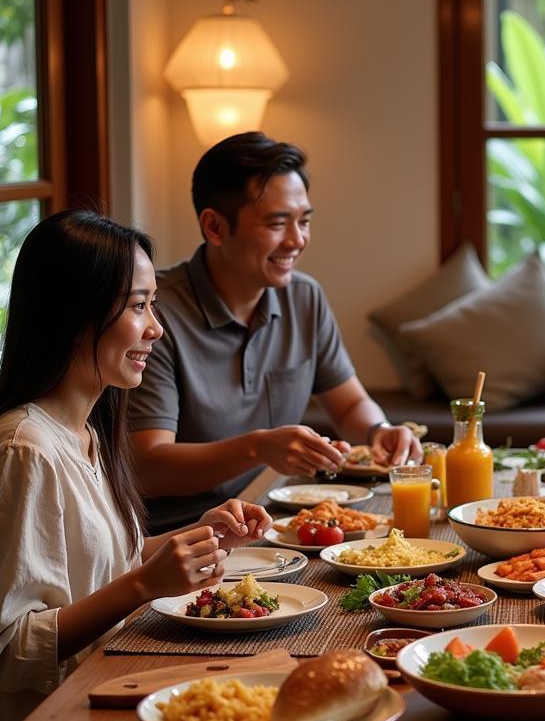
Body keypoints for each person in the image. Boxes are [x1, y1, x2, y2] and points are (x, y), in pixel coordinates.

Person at [0, 210, 271, 721]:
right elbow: (13, 650)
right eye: (138, 306)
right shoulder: (25, 450)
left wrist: (198, 538)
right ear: (74, 313)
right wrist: (146, 584)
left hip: (112, 684)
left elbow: (96, 563)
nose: (156, 328)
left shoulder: (86, 431)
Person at [128, 132, 422, 533]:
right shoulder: (156, 314)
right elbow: (149, 467)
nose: (297, 240)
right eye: (277, 223)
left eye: (304, 222)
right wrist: (258, 446)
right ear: (214, 227)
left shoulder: (304, 297)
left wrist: (380, 431)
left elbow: (350, 405)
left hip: (272, 521)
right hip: (181, 535)